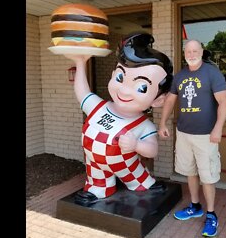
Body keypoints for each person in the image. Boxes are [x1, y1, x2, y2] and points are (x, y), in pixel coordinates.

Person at [63, 32, 173, 206]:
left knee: (138, 180)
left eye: (142, 87)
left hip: (127, 166)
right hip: (95, 164)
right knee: (98, 183)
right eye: (120, 77)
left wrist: (136, 145)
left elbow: (152, 150)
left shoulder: (143, 125)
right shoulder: (99, 106)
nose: (124, 90)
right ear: (113, 73)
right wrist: (80, 63)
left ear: (158, 100)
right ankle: (98, 187)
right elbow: (82, 92)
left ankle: (144, 182)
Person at [158, 40, 226, 237]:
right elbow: (170, 99)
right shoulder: (180, 76)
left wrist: (218, 128)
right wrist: (163, 123)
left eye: (195, 50)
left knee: (207, 176)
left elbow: (224, 102)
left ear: (201, 52)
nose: (191, 54)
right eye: (188, 51)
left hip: (206, 135)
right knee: (190, 172)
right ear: (184, 53)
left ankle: (211, 214)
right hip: (184, 133)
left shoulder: (211, 72)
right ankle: (195, 206)